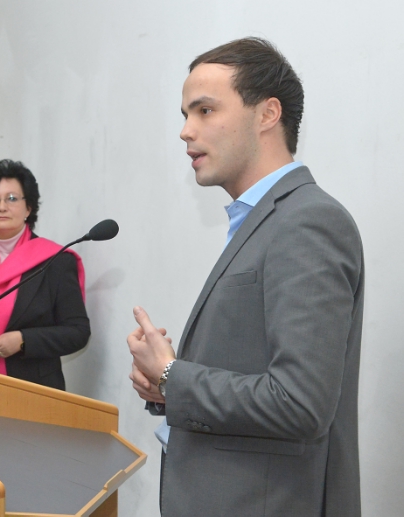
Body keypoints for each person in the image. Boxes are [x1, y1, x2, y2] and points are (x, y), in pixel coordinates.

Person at [127, 38, 364, 516]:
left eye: (205, 110)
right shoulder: (264, 219)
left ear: (267, 114)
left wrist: (173, 376)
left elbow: (300, 403)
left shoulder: (308, 221)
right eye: (185, 114)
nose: (186, 131)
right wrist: (166, 388)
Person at [0, 159, 90, 390]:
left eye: (12, 198)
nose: (2, 207)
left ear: (28, 207)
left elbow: (78, 332)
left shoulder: (55, 261)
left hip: (29, 389)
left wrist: (23, 340)